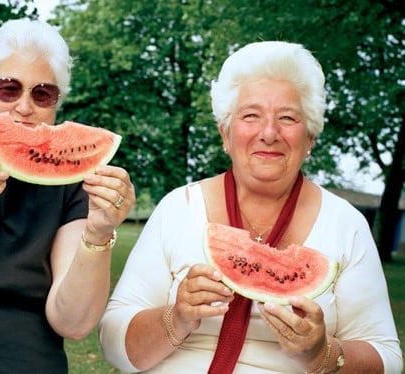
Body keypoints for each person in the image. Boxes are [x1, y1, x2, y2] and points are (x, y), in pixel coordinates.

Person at [99, 41, 403, 373]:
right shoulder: (178, 207)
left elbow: (388, 359)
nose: (269, 133)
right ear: (225, 135)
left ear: (310, 140)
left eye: (287, 117)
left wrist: (323, 353)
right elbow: (114, 344)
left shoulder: (347, 224)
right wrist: (176, 317)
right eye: (251, 116)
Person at [0, 19, 135, 373]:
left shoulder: (73, 186)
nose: (24, 107)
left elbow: (74, 324)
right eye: (8, 89)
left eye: (42, 93)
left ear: (56, 105)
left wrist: (98, 233)